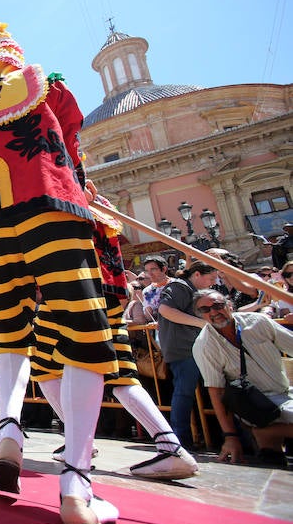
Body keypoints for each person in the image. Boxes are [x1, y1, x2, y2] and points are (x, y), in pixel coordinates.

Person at [0, 20, 118, 524]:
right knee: (84, 327)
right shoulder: (48, 85)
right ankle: (76, 485)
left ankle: (10, 434)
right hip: (50, 203)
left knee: (12, 327)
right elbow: (72, 146)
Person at [38, 195, 198, 480]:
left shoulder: (59, 199)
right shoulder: (98, 203)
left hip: (69, 294)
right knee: (122, 374)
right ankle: (171, 447)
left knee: (44, 368)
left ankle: (80, 442)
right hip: (109, 296)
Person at [191, 289, 293, 466]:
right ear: (200, 316)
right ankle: (265, 435)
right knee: (270, 451)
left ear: (229, 305)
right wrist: (230, 436)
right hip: (255, 405)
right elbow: (216, 391)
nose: (214, 312)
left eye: (218, 305)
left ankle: (266, 435)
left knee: (270, 448)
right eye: (206, 310)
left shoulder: (258, 322)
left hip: (285, 393)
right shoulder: (204, 345)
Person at [156, 260, 218, 449]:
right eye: (211, 278)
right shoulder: (179, 286)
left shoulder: (193, 290)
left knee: (209, 391)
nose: (213, 283)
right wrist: (201, 323)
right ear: (197, 274)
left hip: (196, 347)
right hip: (183, 348)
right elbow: (165, 309)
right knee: (184, 392)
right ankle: (180, 439)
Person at [141, 255, 172, 323]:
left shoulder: (176, 285)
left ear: (164, 269)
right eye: (147, 271)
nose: (150, 274)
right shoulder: (147, 291)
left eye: (153, 269)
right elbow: (148, 315)